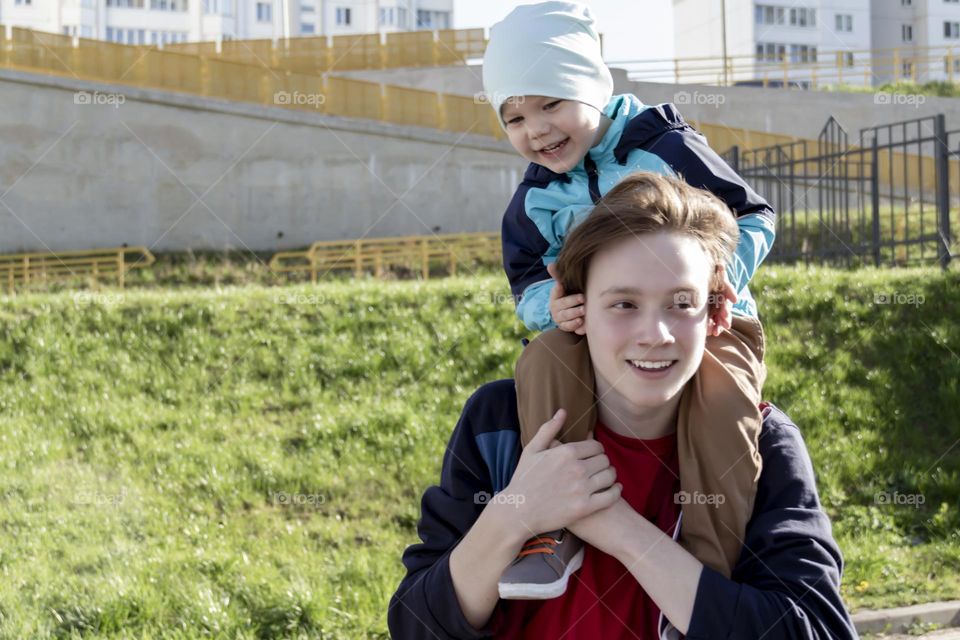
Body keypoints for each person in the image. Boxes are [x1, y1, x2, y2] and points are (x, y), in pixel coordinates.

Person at [388, 173, 857, 639]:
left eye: (681, 303)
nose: (655, 334)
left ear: (715, 311)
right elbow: (414, 626)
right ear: (575, 308)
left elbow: (819, 631)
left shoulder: (762, 440)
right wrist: (516, 513)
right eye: (624, 304)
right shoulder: (499, 422)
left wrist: (620, 529)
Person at [483, 1, 776, 597]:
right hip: (602, 331)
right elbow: (526, 282)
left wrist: (717, 280)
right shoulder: (534, 199)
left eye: (551, 104)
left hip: (708, 321)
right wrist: (550, 308)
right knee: (543, 361)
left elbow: (753, 216)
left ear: (591, 86)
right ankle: (555, 528)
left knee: (723, 402)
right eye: (514, 118)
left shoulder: (664, 146)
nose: (535, 129)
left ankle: (708, 566)